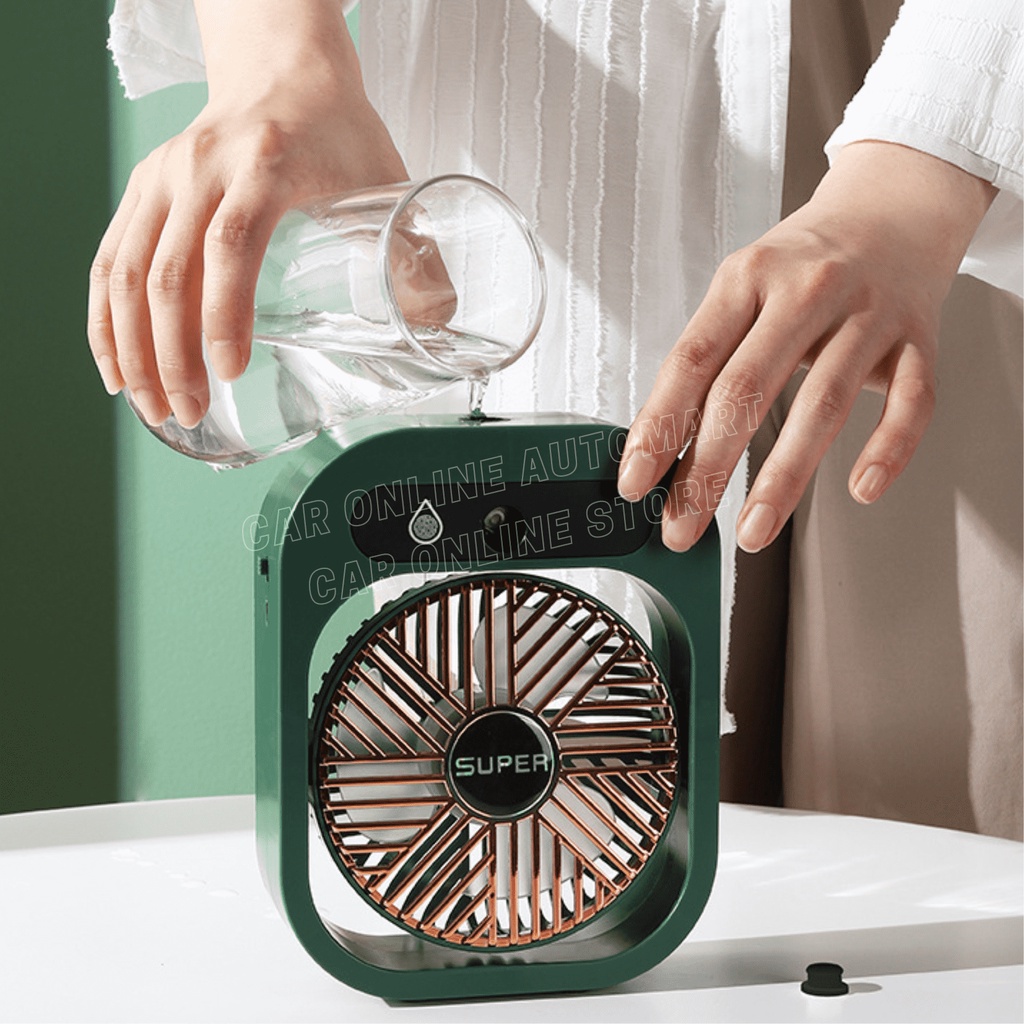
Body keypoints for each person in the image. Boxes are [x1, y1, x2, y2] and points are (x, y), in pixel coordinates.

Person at [93, 0, 1023, 838]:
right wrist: (276, 52)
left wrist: (925, 166)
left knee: (937, 809)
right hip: (519, 91)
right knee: (530, 826)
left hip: (930, 106)